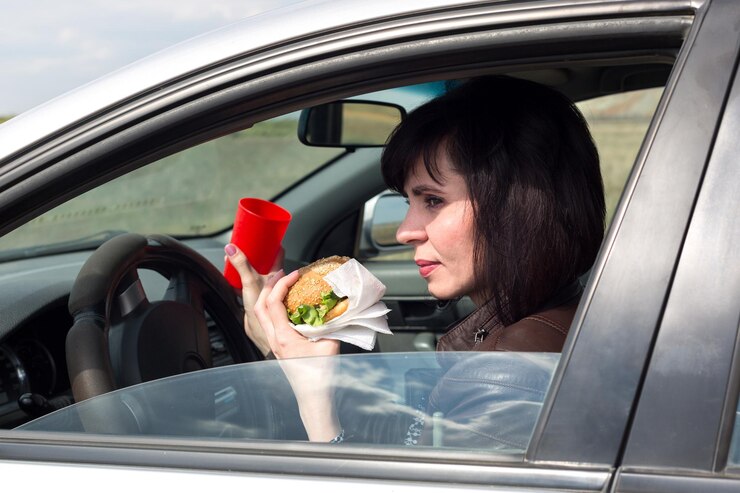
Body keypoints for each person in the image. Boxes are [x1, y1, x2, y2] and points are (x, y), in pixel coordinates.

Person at [224, 75, 605, 445]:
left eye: (433, 201)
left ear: (516, 209)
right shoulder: (529, 325)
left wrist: (315, 401)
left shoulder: (504, 378)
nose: (405, 231)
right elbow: (414, 439)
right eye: (409, 202)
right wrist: (286, 348)